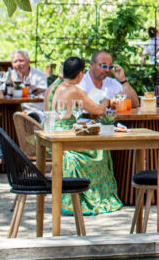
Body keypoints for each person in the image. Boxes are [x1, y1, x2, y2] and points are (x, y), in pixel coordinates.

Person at [46, 57, 121, 216]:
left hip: (51, 134)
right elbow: (98, 110)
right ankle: (98, 198)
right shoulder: (74, 90)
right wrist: (107, 102)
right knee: (100, 151)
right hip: (65, 138)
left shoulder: (54, 86)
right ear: (80, 74)